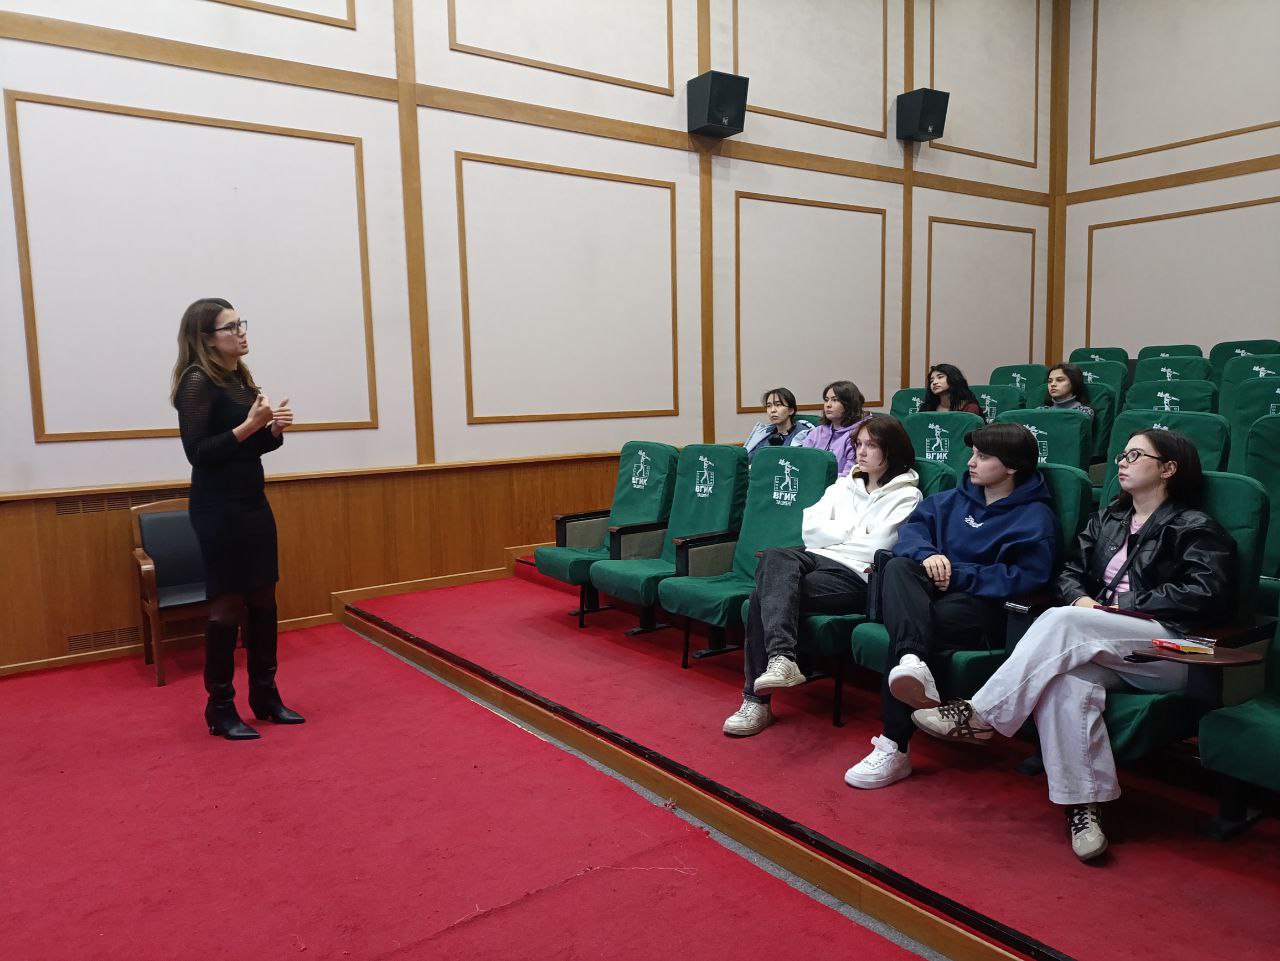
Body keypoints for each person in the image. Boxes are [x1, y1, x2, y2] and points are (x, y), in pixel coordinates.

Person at [910, 430, 1233, 862]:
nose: (1121, 461)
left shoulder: (1194, 526)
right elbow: (1069, 572)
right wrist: (1081, 599)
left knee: (1063, 620)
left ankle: (982, 712)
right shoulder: (1108, 520)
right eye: (1122, 453)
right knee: (1067, 682)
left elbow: (1205, 593)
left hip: (1172, 648)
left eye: (1135, 455)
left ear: (1168, 469)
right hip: (1103, 642)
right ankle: (1084, 807)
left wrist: (1118, 606)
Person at [843, 423, 1057, 789]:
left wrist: (958, 574)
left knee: (910, 627)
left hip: (983, 608)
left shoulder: (1035, 517)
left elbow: (1027, 578)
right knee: (898, 566)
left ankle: (894, 746)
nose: (971, 462)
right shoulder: (950, 500)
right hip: (929, 595)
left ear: (1011, 467)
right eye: (972, 454)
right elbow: (910, 534)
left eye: (983, 456)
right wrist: (928, 555)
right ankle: (912, 662)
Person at [724, 418, 922, 735]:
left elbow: (877, 546)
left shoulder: (907, 496)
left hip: (857, 576)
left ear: (892, 450)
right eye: (858, 444)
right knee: (775, 556)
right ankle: (782, 660)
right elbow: (810, 529)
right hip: (815, 558)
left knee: (762, 594)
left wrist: (835, 533)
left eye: (871, 445)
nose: (861, 452)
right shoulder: (843, 485)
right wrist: (853, 532)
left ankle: (757, 699)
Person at [171, 298, 305, 741]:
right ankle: (221, 707)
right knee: (228, 604)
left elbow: (248, 448)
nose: (241, 332)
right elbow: (199, 453)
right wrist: (250, 425)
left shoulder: (239, 377)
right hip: (217, 508)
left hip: (252, 502)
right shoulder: (196, 381)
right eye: (231, 327)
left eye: (240, 323)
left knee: (264, 597)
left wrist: (273, 431)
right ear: (206, 338)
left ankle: (265, 696)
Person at [800, 380, 870, 476]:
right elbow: (802, 463)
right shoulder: (816, 432)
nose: (828, 405)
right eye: (826, 400)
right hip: (812, 481)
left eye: (835, 400)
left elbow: (850, 474)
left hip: (841, 484)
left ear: (849, 404)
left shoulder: (859, 434)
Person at [743, 387, 814, 463]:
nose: (772, 410)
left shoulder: (803, 435)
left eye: (778, 405)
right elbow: (748, 459)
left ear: (791, 410)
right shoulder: (764, 434)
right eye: (769, 406)